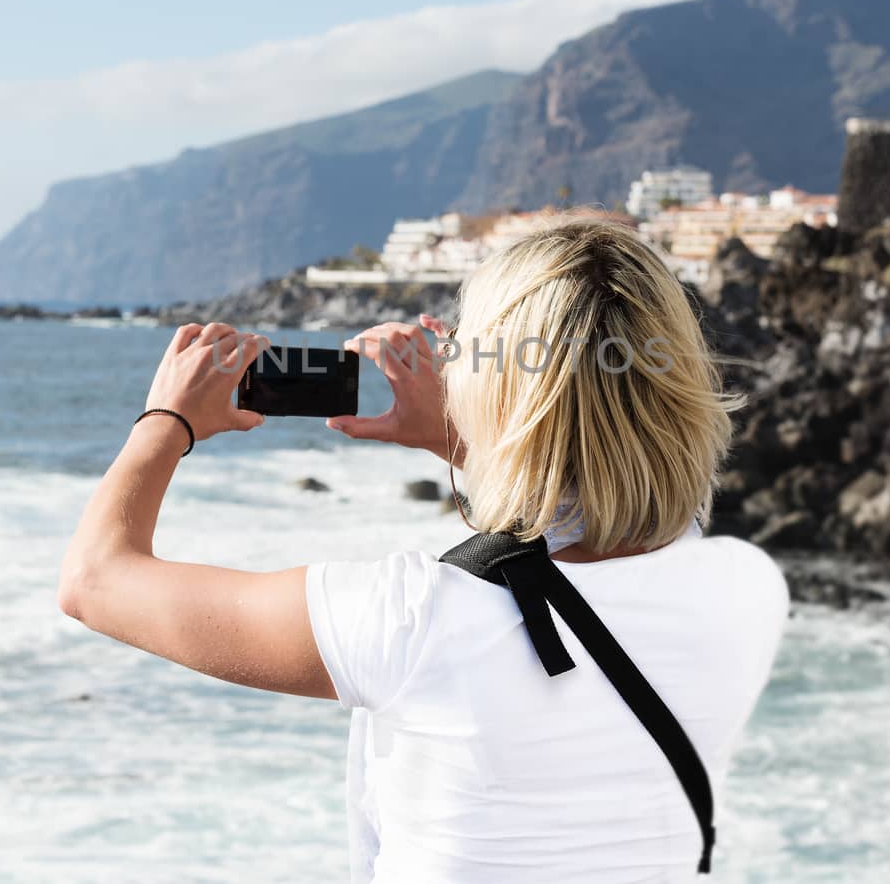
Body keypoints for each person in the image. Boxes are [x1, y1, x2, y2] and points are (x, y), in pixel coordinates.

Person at [58, 217, 790, 882]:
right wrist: (465, 434)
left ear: (494, 389)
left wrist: (166, 420)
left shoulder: (413, 623)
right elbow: (607, 497)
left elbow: (96, 580)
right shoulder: (745, 590)